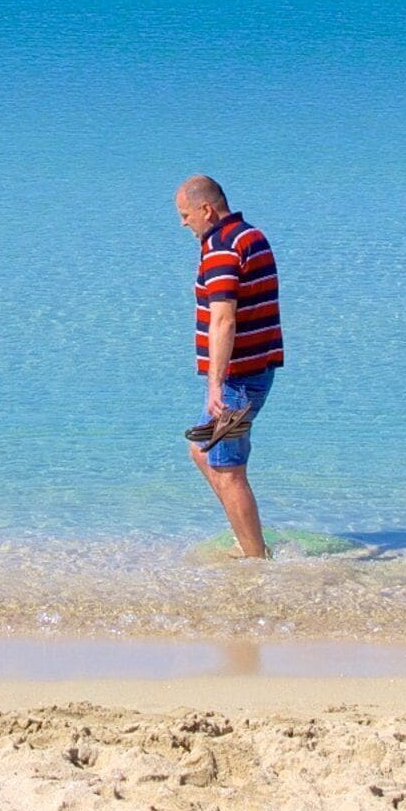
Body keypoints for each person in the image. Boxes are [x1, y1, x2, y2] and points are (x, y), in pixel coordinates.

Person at [173, 175, 283, 560]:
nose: (183, 223)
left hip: (238, 379)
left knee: (228, 471)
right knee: (201, 450)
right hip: (258, 368)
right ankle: (247, 536)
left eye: (186, 214)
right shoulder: (251, 236)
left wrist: (215, 386)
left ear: (206, 209)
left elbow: (223, 320)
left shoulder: (221, 248)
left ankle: (256, 559)